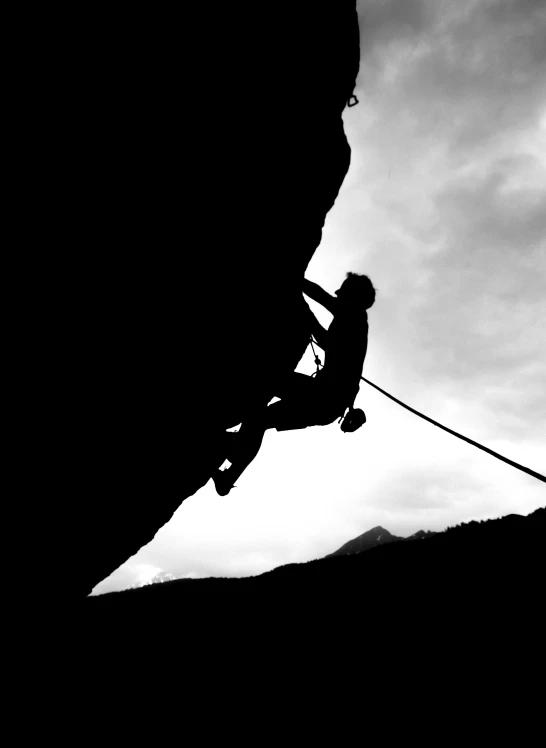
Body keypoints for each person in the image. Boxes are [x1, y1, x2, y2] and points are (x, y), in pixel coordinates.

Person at [212, 272, 376, 496]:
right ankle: (230, 472)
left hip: (322, 397)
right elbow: (322, 298)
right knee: (261, 416)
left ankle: (235, 448)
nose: (337, 293)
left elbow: (325, 333)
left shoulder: (353, 315)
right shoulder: (354, 317)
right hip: (327, 403)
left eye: (343, 290)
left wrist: (295, 284)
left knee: (267, 381)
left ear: (353, 296)